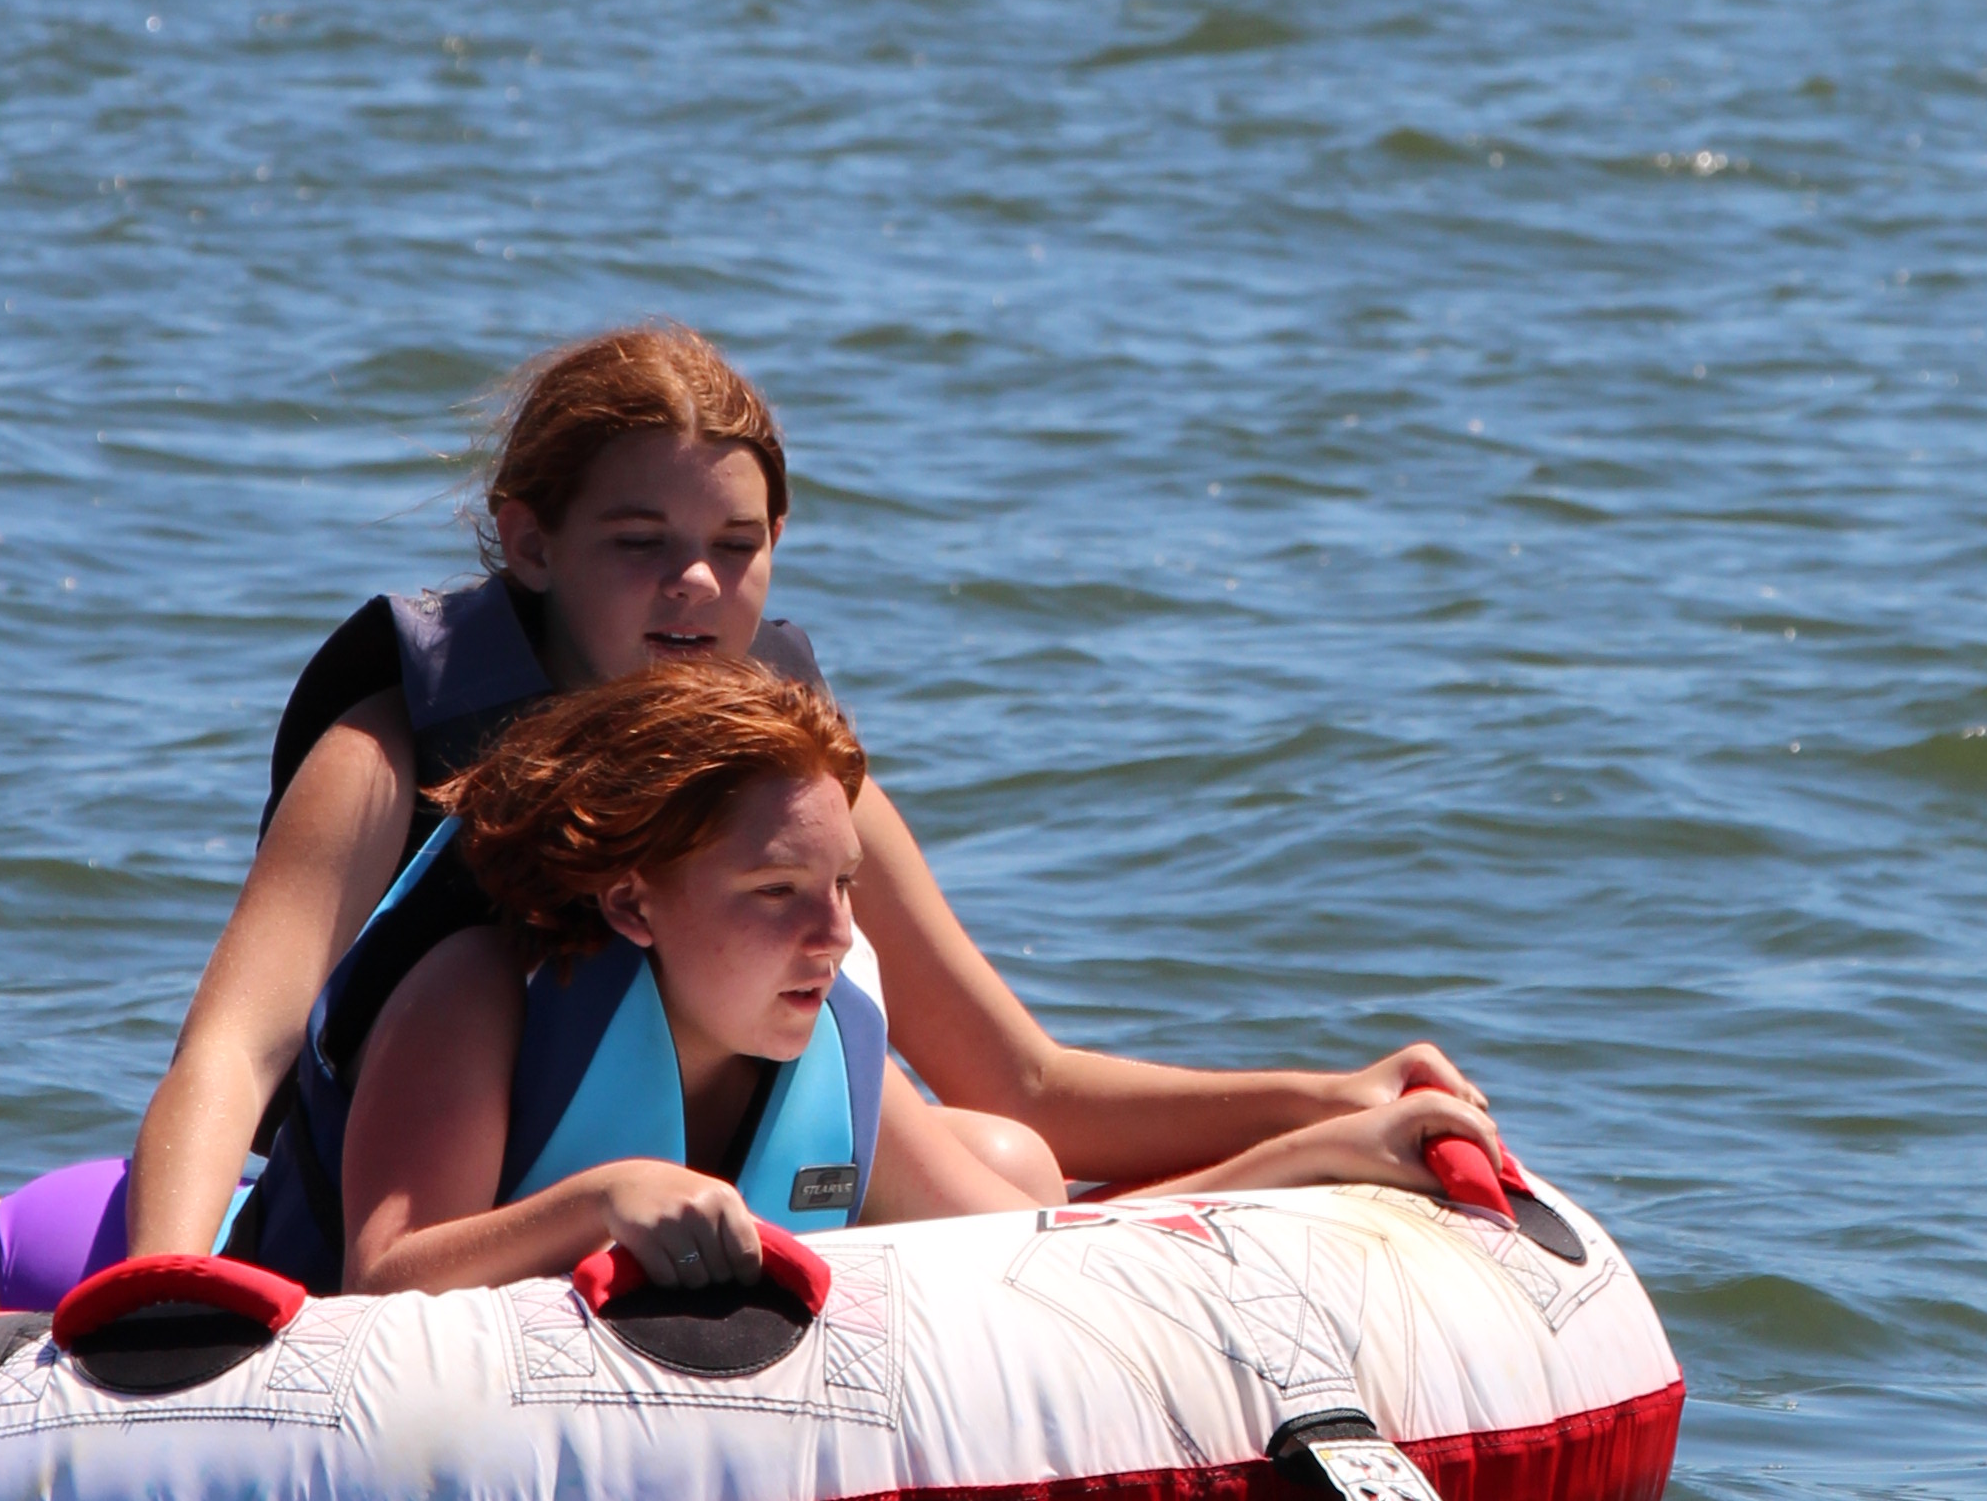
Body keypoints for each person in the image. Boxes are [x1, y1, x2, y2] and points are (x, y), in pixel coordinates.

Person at [115, 318, 1487, 1276]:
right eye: (640, 543)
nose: (696, 585)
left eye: (736, 545)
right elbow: (232, 1057)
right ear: (529, 544)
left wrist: (1327, 1102)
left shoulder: (782, 781)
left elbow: (1018, 1073)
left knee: (1004, 1152)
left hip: (701, 1186)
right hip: (406, 1195)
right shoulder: (392, 750)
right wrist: (162, 1308)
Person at [291, 659, 1484, 1306]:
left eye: (844, 886)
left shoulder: (827, 1045)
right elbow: (382, 1279)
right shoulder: (481, 998)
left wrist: (1321, 1153)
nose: (834, 935)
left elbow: (1047, 1252)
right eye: (775, 892)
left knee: (1018, 1168)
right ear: (633, 902)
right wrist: (603, 1201)